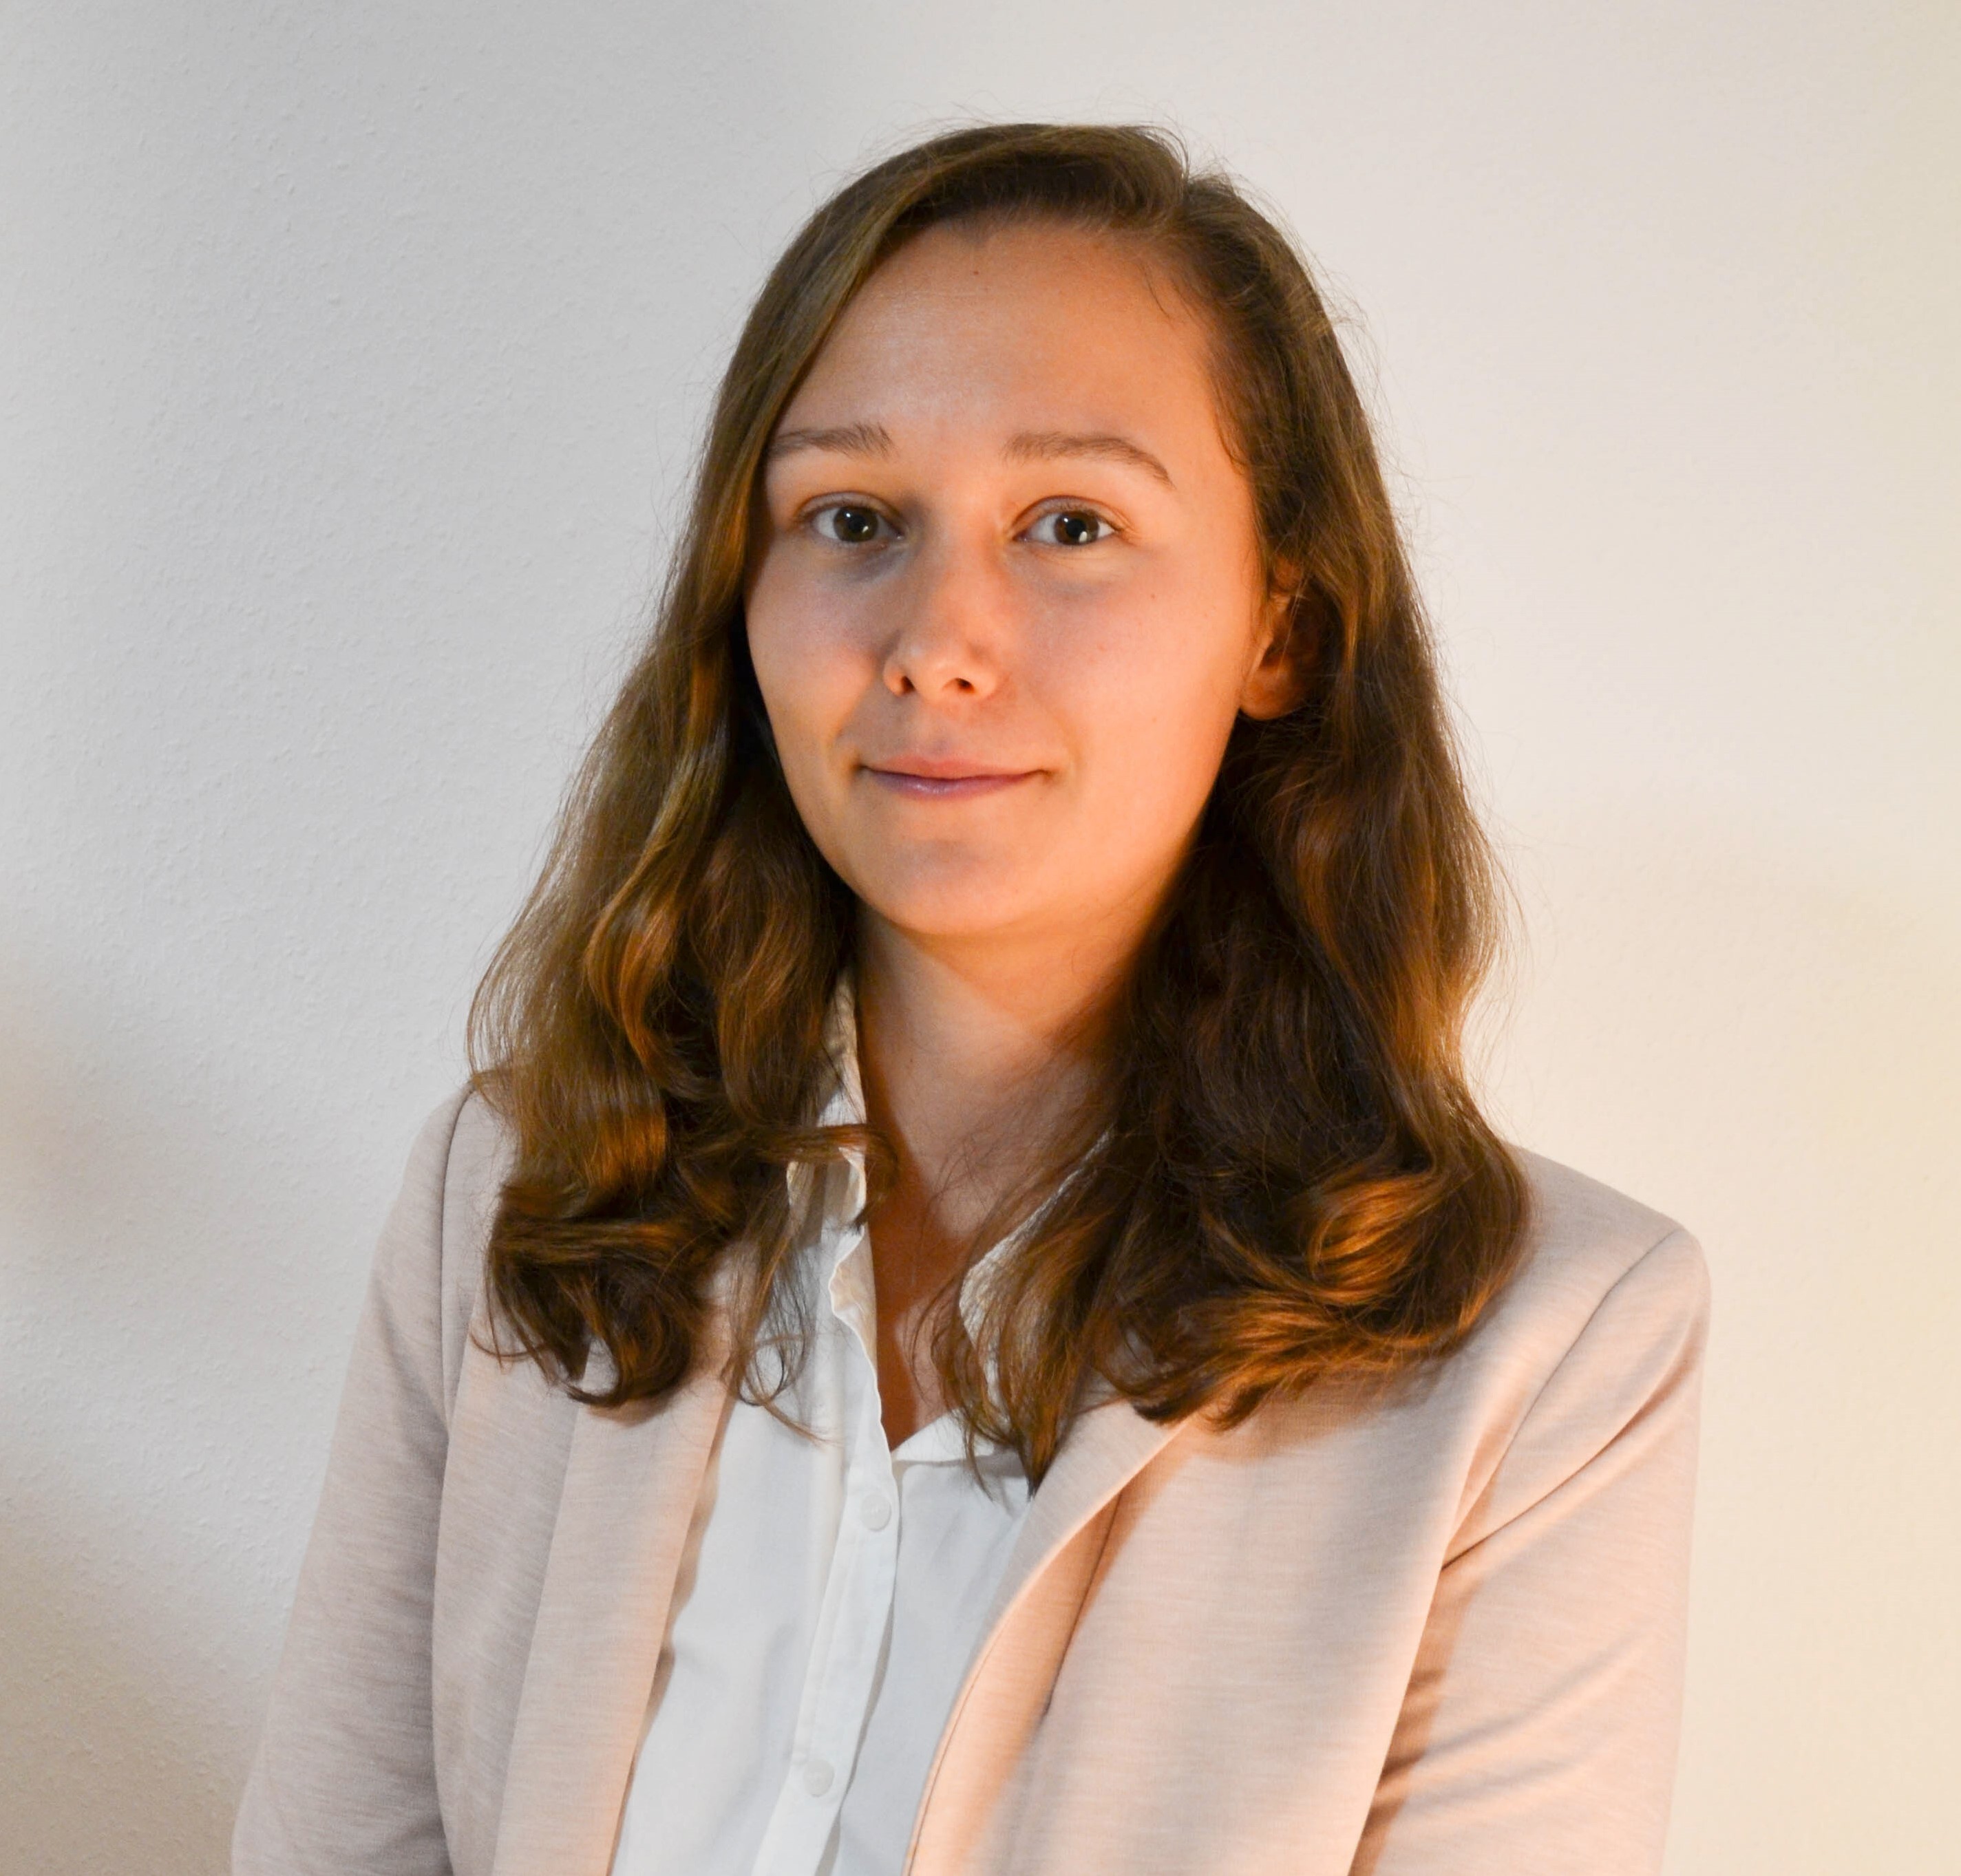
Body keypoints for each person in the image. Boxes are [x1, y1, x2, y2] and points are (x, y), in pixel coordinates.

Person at [232, 122, 1709, 1876]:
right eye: (851, 519)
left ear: (1282, 627)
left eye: (1071, 525)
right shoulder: (511, 1196)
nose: (936, 640)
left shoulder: (1551, 1352)